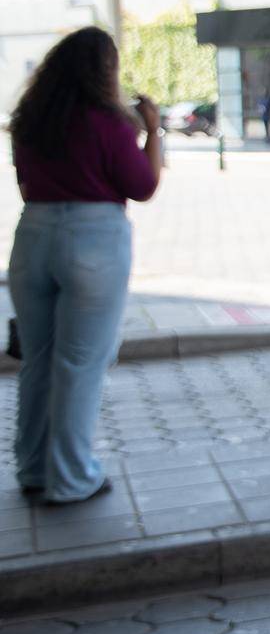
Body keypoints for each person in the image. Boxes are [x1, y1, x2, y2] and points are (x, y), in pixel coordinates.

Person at [8, 27, 161, 504]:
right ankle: (72, 478)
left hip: (32, 235)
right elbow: (142, 185)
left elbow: (25, 186)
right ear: (104, 71)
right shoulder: (107, 122)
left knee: (38, 360)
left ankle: (32, 468)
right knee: (79, 363)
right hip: (94, 239)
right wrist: (152, 131)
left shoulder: (29, 119)